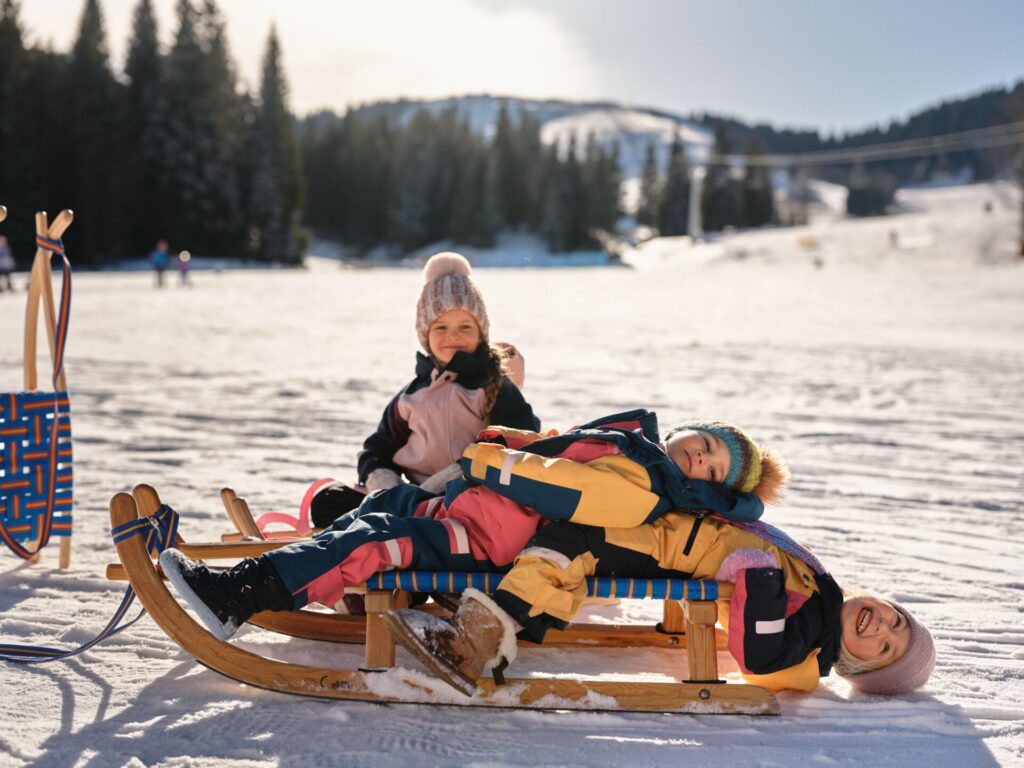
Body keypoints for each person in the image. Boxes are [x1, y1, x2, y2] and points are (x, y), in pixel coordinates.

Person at [159, 409, 780, 648]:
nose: (699, 459)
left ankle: (237, 596)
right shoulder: (637, 449)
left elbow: (561, 488)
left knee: (378, 539)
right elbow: (558, 450)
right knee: (386, 505)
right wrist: (515, 439)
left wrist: (489, 462)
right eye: (705, 445)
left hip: (490, 543)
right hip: (476, 512)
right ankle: (320, 578)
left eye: (712, 469)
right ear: (692, 430)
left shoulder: (644, 485)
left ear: (709, 489)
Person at [382, 447, 936, 697]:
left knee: (567, 545)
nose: (882, 627)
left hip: (664, 550)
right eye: (898, 620)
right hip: (666, 530)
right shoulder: (822, 593)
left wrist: (761, 580)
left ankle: (479, 639)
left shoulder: (808, 650)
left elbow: (760, 659)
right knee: (553, 511)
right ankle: (428, 527)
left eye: (886, 648)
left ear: (860, 667)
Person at [307, 251, 536, 530]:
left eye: (465, 326)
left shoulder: (494, 386)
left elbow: (521, 443)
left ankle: (409, 521)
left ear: (481, 333)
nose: (453, 335)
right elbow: (377, 449)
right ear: (425, 335)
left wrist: (458, 475)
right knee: (328, 501)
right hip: (415, 498)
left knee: (470, 507)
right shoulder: (412, 396)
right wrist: (384, 483)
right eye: (441, 327)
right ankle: (399, 515)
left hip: (470, 497)